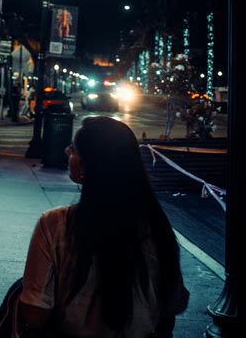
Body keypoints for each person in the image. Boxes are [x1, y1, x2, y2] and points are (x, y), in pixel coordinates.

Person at [18, 116, 189, 337]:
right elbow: (175, 303)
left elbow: (34, 314)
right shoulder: (157, 227)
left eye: (73, 149)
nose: (66, 152)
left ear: (89, 165)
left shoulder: (55, 224)